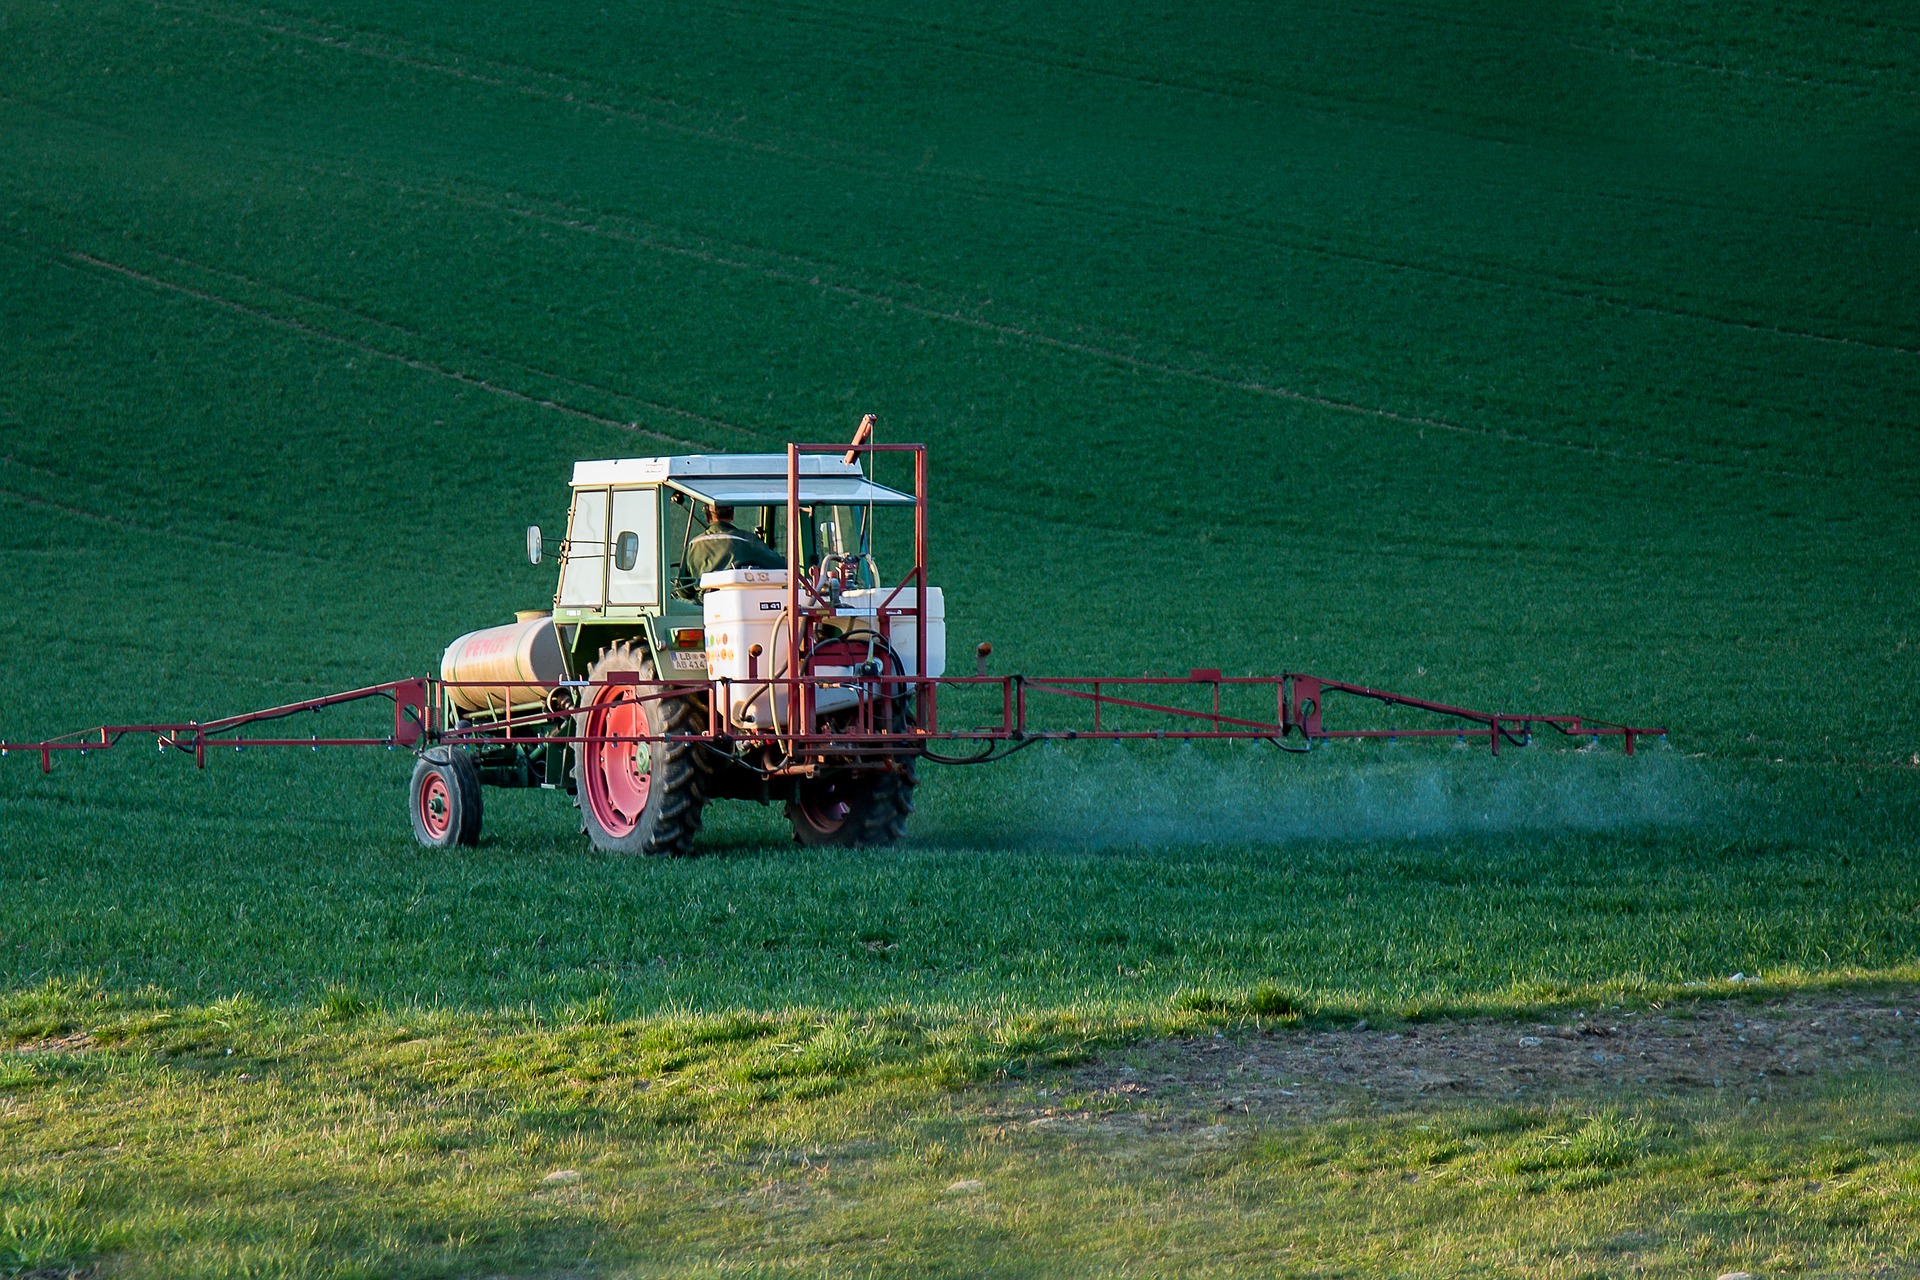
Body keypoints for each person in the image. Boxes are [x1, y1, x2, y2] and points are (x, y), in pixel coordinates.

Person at [685, 504, 786, 582]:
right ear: (732, 515)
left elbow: (684, 589)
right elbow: (781, 565)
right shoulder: (747, 541)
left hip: (704, 604)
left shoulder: (693, 544)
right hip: (743, 603)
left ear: (707, 517)